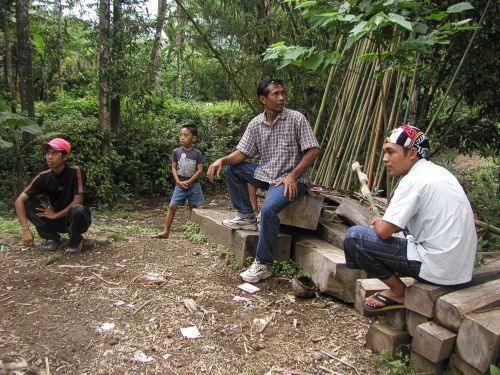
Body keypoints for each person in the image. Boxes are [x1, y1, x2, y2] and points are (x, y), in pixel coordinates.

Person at [343, 125, 477, 315]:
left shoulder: (413, 180)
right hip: (459, 269)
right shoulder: (439, 173)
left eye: (391, 152)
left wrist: (379, 223)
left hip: (439, 268)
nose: (385, 159)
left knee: (354, 237)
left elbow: (383, 232)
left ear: (412, 153)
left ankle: (398, 292)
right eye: (384, 153)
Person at [207, 78, 320, 283]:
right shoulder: (256, 124)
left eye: (282, 93)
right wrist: (221, 160)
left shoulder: (296, 119)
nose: (281, 98)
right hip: (268, 174)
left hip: (293, 179)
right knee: (234, 168)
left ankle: (263, 264)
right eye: (276, 94)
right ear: (263, 99)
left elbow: (313, 150)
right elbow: (242, 153)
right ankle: (246, 215)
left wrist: (293, 175)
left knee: (268, 210)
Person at [15, 138, 92, 254]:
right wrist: (25, 230)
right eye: (48, 153)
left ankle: (75, 240)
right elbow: (19, 201)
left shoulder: (76, 171)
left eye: (55, 153)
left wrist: (55, 215)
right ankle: (51, 238)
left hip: (75, 219)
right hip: (54, 218)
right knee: (27, 202)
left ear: (65, 157)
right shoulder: (43, 177)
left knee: (77, 209)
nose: (50, 157)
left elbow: (78, 201)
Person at [152, 125, 205, 239]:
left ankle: (194, 233)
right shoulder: (176, 152)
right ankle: (166, 231)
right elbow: (173, 168)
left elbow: (200, 170)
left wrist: (190, 181)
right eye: (180, 135)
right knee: (172, 206)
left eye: (185, 135)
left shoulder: (197, 153)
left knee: (194, 208)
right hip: (179, 184)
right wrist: (177, 181)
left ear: (194, 138)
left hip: (194, 185)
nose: (182, 138)